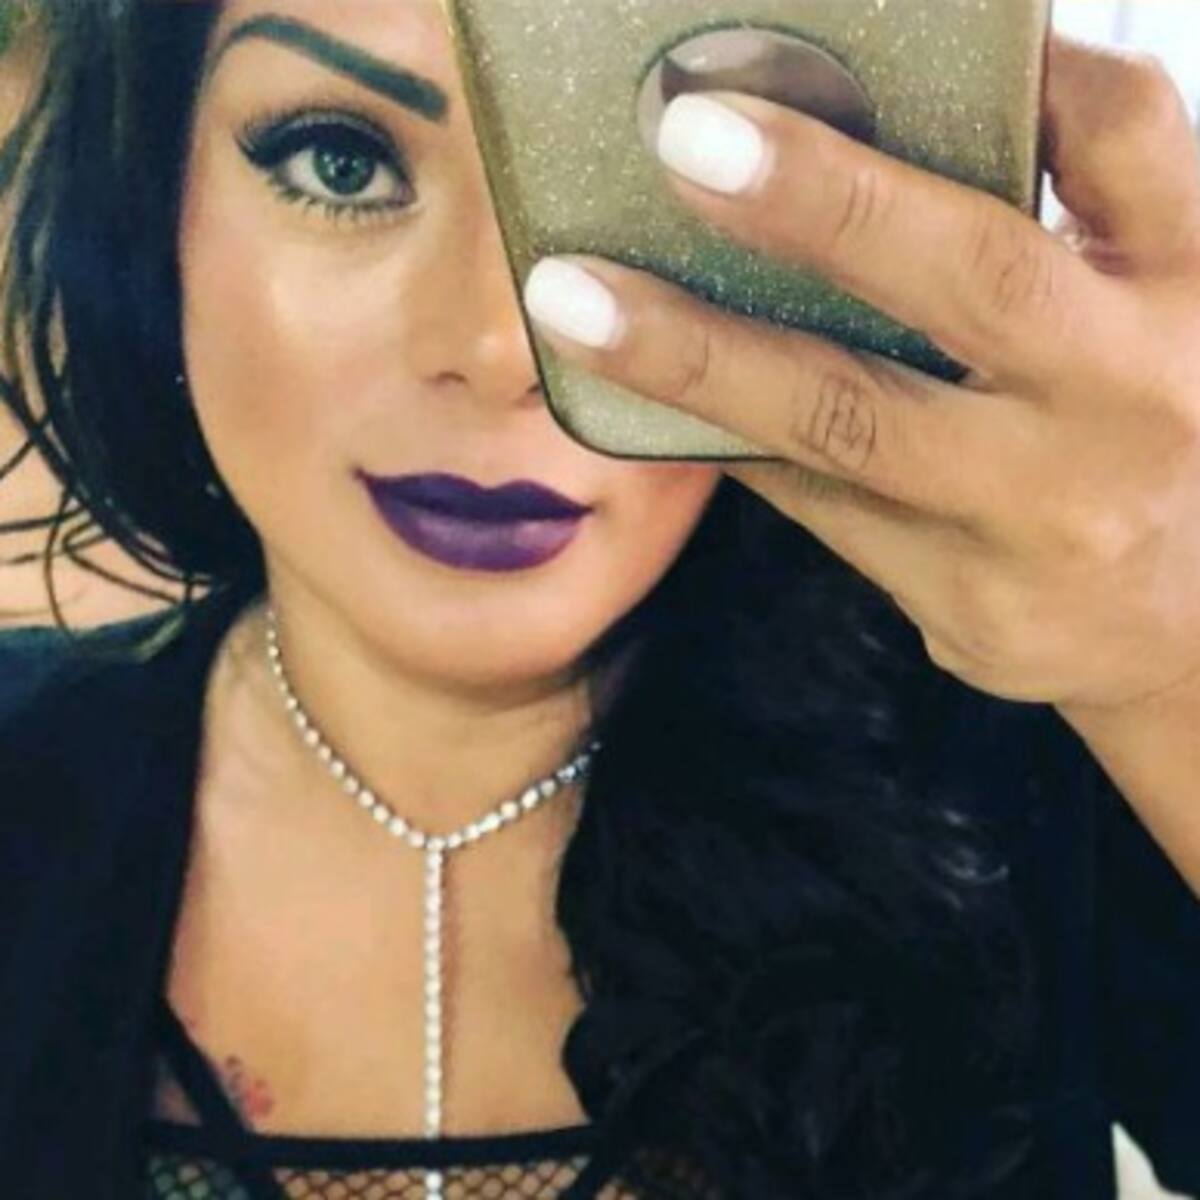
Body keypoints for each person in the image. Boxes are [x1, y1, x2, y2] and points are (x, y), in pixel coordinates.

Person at [0, 2, 1198, 1198]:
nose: (501, 346)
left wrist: (1174, 684)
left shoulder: (1037, 762)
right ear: (153, 189)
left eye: (646, 187)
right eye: (343, 162)